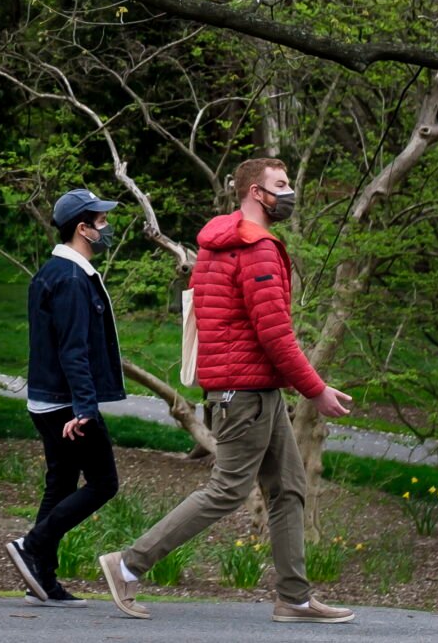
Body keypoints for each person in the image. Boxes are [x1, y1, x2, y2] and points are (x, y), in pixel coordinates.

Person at [98, 157, 356, 624]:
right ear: (256, 193)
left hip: (255, 390)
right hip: (245, 392)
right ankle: (129, 564)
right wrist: (316, 390)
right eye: (281, 184)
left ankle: (294, 598)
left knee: (288, 488)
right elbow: (274, 334)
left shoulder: (219, 244)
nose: (290, 192)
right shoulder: (255, 248)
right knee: (228, 490)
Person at [6, 187, 126, 606]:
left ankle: (41, 580)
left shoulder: (53, 271)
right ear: (83, 228)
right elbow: (73, 350)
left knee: (60, 485)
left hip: (46, 400)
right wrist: (85, 409)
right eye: (102, 220)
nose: (107, 227)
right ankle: (32, 544)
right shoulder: (73, 279)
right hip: (66, 405)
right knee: (104, 483)